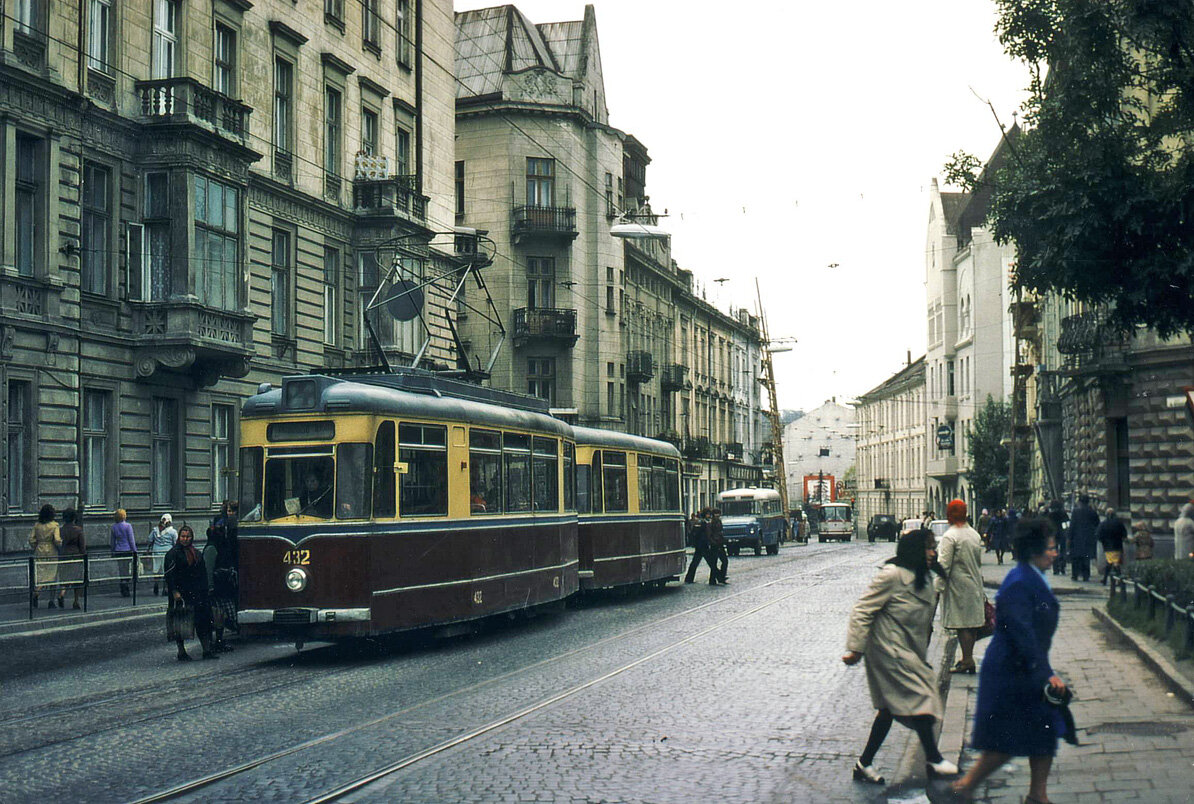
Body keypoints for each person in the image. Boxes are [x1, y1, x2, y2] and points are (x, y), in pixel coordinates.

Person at [951, 517, 1070, 804]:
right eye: (1051, 549)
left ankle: (1037, 796)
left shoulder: (1034, 577)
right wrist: (1046, 674)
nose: (1055, 554)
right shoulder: (1019, 583)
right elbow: (1022, 634)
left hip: (1026, 670)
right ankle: (961, 789)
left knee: (1044, 733)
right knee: (1002, 743)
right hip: (1009, 673)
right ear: (1034, 550)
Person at [843, 529, 957, 785]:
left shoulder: (925, 578)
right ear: (914, 551)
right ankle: (934, 759)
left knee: (889, 709)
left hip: (906, 650)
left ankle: (864, 764)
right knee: (921, 697)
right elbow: (862, 610)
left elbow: (922, 626)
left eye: (933, 547)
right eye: (928, 548)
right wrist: (856, 649)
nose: (932, 553)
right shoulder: (892, 575)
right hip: (887, 650)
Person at [938, 499, 984, 674]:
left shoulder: (950, 536)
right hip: (973, 584)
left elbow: (944, 566)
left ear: (950, 514)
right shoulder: (973, 534)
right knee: (970, 625)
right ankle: (967, 657)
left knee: (963, 625)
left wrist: (938, 588)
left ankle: (967, 660)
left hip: (958, 587)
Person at [164, 524, 216, 660]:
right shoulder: (172, 554)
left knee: (202, 622)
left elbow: (203, 573)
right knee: (180, 622)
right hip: (181, 594)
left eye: (188, 537)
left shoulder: (197, 553)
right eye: (183, 536)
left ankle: (207, 650)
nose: (185, 539)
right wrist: (174, 591)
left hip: (197, 593)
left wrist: (206, 590)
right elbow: (169, 575)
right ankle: (181, 652)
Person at [207, 501, 239, 651]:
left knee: (222, 615)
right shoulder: (212, 548)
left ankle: (218, 640)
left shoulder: (221, 546)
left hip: (223, 586)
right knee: (218, 615)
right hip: (218, 587)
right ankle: (216, 641)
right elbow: (209, 568)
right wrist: (211, 586)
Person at [29, 504, 62, 609]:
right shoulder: (54, 525)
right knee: (52, 575)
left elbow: (31, 539)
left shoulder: (37, 525)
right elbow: (57, 540)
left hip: (40, 549)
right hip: (51, 550)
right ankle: (51, 601)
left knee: (40, 574)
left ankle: (37, 591)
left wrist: (36, 546)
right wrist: (60, 545)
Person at [59, 507, 86, 610]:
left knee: (65, 577)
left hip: (64, 555)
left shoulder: (61, 530)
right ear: (74, 518)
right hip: (76, 556)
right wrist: (84, 555)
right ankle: (75, 601)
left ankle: (61, 593)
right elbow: (82, 546)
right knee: (77, 580)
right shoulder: (78, 530)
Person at [1069, 495, 1100, 581]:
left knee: (1075, 558)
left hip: (1076, 538)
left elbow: (1072, 525)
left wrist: (1069, 537)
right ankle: (1086, 575)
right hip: (1088, 539)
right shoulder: (1092, 512)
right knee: (1086, 558)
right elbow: (1097, 524)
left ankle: (1075, 575)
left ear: (1080, 502)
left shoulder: (1075, 512)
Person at [147, 513, 177, 596]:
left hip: (156, 552)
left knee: (156, 569)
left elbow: (149, 540)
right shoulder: (173, 532)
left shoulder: (155, 530)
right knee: (166, 570)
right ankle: (166, 588)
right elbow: (175, 543)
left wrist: (149, 548)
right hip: (168, 553)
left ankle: (156, 584)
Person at [110, 509, 138, 597]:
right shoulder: (128, 526)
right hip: (127, 550)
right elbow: (131, 540)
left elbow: (112, 541)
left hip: (118, 550)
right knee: (127, 569)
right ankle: (126, 587)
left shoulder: (114, 527)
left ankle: (122, 585)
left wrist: (113, 551)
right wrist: (135, 551)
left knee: (121, 569)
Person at [684, 509, 717, 584]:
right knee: (711, 562)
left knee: (695, 563)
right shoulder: (701, 522)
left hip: (702, 545)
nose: (709, 516)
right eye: (708, 514)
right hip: (702, 545)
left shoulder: (705, 522)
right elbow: (696, 534)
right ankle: (719, 576)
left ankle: (689, 578)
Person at [1097, 507, 1127, 585]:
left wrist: (1103, 541)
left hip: (1107, 547)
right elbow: (1124, 534)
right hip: (1117, 546)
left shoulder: (1103, 524)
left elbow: (1098, 535)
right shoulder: (1119, 523)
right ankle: (1118, 579)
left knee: (1110, 562)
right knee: (1114, 562)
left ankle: (1107, 579)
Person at [1047, 500, 1069, 576]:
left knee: (1054, 551)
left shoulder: (1050, 515)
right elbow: (1066, 524)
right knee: (1063, 551)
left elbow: (1048, 525)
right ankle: (1062, 567)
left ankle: (1055, 569)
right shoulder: (1063, 514)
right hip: (1062, 534)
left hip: (1053, 534)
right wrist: (1065, 531)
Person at [708, 509, 728, 584]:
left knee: (724, 561)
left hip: (720, 543)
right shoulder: (711, 523)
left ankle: (721, 576)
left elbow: (721, 532)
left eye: (718, 514)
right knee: (714, 562)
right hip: (715, 544)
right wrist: (713, 542)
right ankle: (714, 579)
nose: (717, 515)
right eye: (716, 514)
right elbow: (709, 534)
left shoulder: (719, 521)